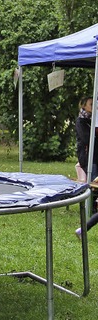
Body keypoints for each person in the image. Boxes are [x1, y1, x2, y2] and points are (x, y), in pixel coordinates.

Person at [75, 96, 98, 237]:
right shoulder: (81, 121)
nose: (94, 106)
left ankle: (83, 229)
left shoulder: (92, 120)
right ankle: (84, 227)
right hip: (88, 159)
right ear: (84, 106)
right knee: (94, 185)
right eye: (91, 104)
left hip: (96, 157)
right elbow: (86, 138)